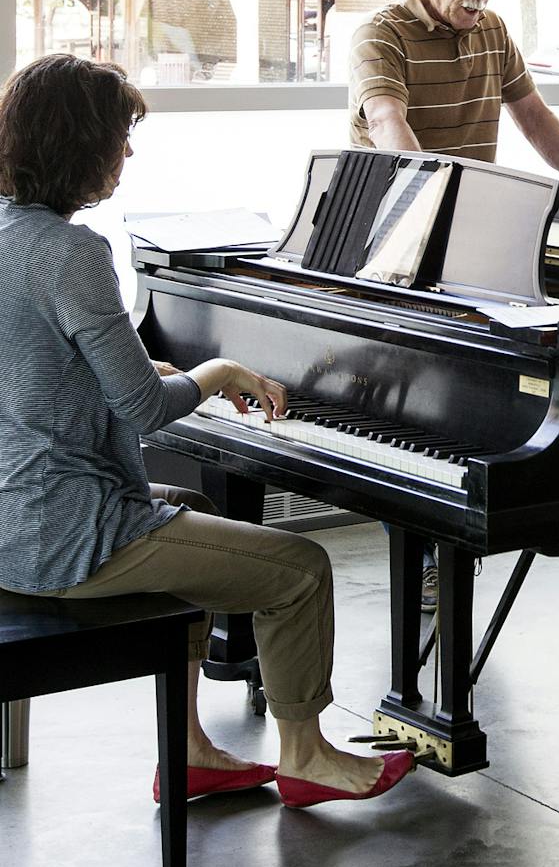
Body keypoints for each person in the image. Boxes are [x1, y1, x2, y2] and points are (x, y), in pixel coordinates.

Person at [0, 54, 414, 808]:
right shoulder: (72, 252)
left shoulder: (8, 234)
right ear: (78, 142)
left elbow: (39, 368)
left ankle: (189, 751)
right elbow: (146, 411)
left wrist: (134, 364)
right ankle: (308, 756)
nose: (128, 152)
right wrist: (219, 372)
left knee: (211, 517)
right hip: (65, 535)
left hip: (10, 518)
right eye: (119, 136)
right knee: (300, 568)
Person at [349, 0, 559, 609]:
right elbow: (390, 122)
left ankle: (456, 539)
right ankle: (419, 546)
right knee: (409, 399)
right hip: (390, 236)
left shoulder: (493, 33)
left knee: (464, 395)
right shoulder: (379, 34)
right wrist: (428, 201)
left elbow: (533, 113)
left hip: (469, 235)